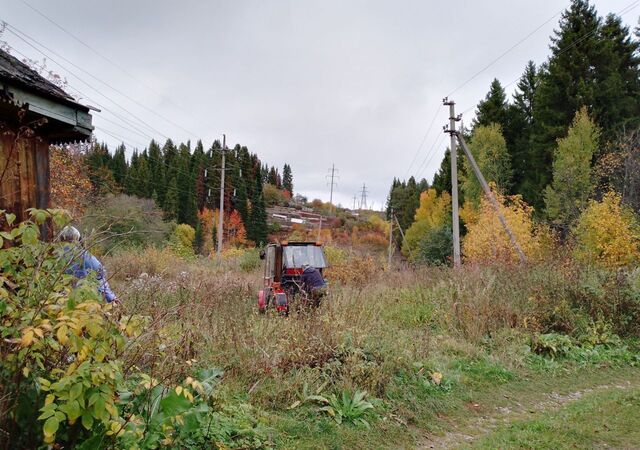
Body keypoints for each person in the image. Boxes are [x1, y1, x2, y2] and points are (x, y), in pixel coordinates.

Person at [58, 226, 118, 304]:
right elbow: (100, 277)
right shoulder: (85, 256)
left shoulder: (54, 256)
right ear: (77, 239)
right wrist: (111, 297)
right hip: (85, 301)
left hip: (61, 300)